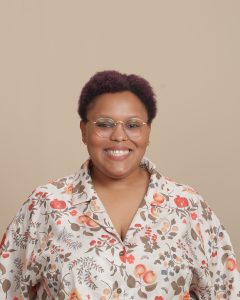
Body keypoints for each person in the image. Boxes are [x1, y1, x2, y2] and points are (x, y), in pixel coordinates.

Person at [0, 70, 239, 300]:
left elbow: (226, 291)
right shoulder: (46, 204)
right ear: (84, 130)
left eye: (133, 125)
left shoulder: (189, 206)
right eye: (104, 124)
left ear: (148, 132)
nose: (119, 136)